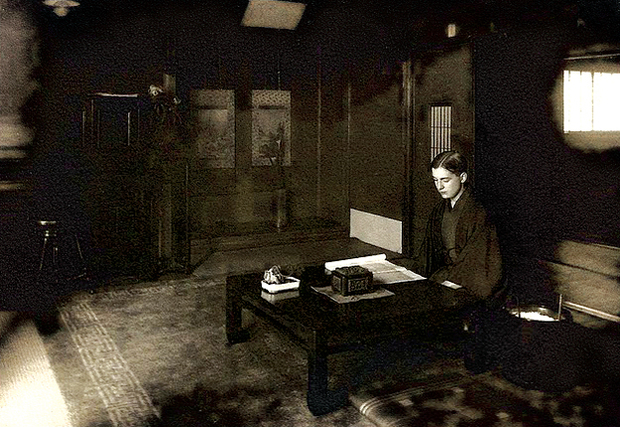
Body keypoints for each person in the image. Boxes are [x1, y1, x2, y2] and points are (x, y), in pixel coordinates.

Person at [415, 150, 503, 299]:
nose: (439, 186)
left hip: (471, 280)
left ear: (462, 177)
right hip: (447, 275)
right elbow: (427, 256)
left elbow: (478, 263)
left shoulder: (479, 212)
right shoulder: (439, 210)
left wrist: (448, 282)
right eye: (435, 180)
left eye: (445, 180)